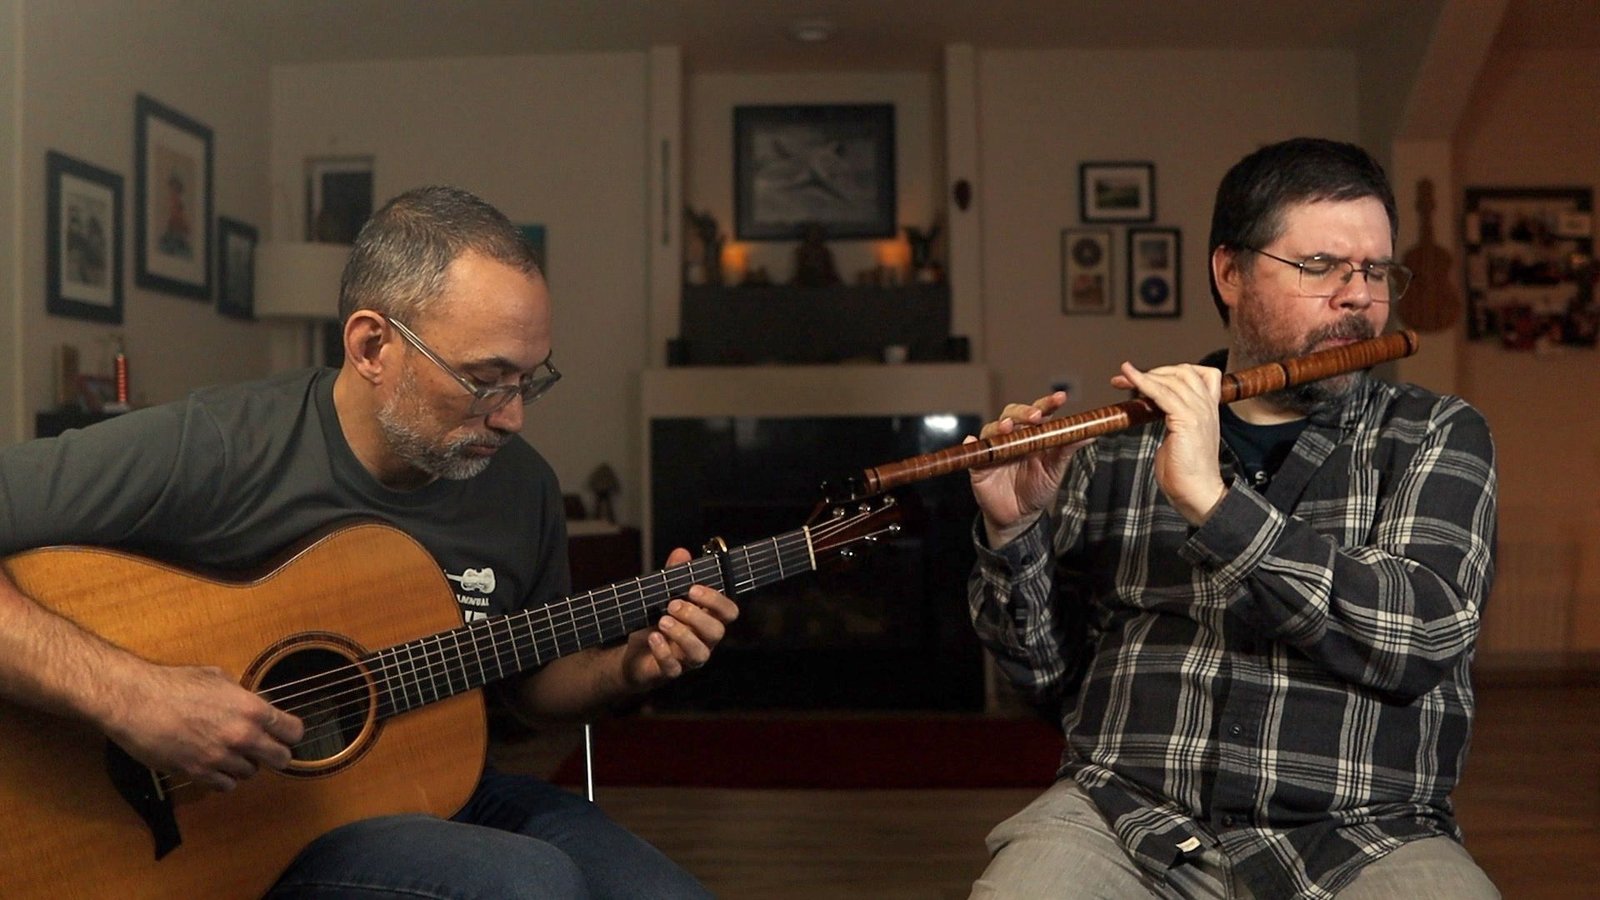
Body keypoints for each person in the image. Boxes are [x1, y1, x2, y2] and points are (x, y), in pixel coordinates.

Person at [0, 185, 734, 898]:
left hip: (433, 790)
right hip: (234, 834)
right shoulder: (222, 447)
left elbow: (529, 690)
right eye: (483, 380)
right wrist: (132, 696)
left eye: (529, 380)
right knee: (528, 883)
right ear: (372, 344)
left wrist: (628, 668)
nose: (512, 418)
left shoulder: (522, 486)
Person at [965, 138, 1499, 898]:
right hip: (1126, 819)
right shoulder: (1120, 444)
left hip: (1366, 834)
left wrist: (1215, 507)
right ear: (1229, 272)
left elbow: (1418, 640)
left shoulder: (1439, 432)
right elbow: (1042, 676)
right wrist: (1014, 533)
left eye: (1376, 270)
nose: (1359, 296)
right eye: (1321, 266)